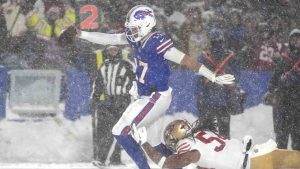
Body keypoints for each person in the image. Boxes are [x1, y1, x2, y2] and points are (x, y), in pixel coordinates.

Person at [74, 5, 235, 169]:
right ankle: (186, 163)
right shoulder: (137, 39)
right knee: (153, 142)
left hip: (157, 96)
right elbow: (111, 39)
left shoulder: (157, 41)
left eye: (135, 28)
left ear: (146, 26)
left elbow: (187, 60)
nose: (131, 32)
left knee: (121, 130)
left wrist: (213, 76)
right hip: (145, 97)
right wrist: (82, 34)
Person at [131, 119, 300, 169]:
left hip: (253, 165)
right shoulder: (204, 132)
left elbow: (168, 165)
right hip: (261, 153)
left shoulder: (187, 144)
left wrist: (144, 144)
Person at [90, 45, 135, 166]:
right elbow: (99, 83)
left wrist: (135, 98)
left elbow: (135, 82)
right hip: (109, 100)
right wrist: (94, 98)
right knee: (106, 131)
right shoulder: (104, 65)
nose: (112, 52)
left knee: (118, 131)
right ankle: (104, 158)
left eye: (115, 49)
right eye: (110, 49)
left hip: (123, 100)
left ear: (119, 50)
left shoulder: (127, 65)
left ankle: (112, 158)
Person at [197, 28, 243, 139]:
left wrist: (201, 96)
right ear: (222, 41)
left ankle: (208, 154)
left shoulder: (203, 57)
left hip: (207, 100)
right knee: (224, 135)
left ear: (210, 41)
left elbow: (198, 79)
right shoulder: (230, 57)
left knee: (206, 134)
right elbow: (236, 77)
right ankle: (225, 153)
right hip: (224, 100)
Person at [264, 28, 300, 151]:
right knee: (281, 137)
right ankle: (281, 163)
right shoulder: (284, 57)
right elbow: (275, 78)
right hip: (283, 102)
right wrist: (272, 89)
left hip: (297, 104)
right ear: (289, 41)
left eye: (298, 39)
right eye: (293, 39)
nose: (296, 41)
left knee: (298, 139)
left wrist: (292, 79)